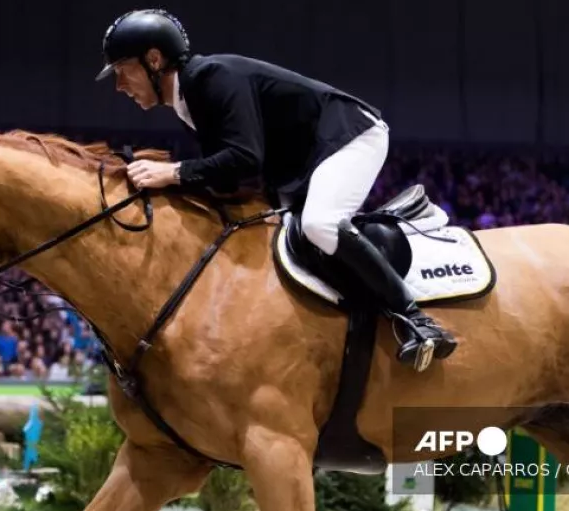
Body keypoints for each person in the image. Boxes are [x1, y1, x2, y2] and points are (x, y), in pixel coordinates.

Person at [95, 8, 457, 370]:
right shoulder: (188, 98)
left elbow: (244, 159)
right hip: (299, 165)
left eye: (123, 70)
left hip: (349, 137)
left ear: (154, 60)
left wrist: (173, 172)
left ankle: (417, 320)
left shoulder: (212, 77)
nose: (119, 85)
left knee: (319, 224)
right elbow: (226, 179)